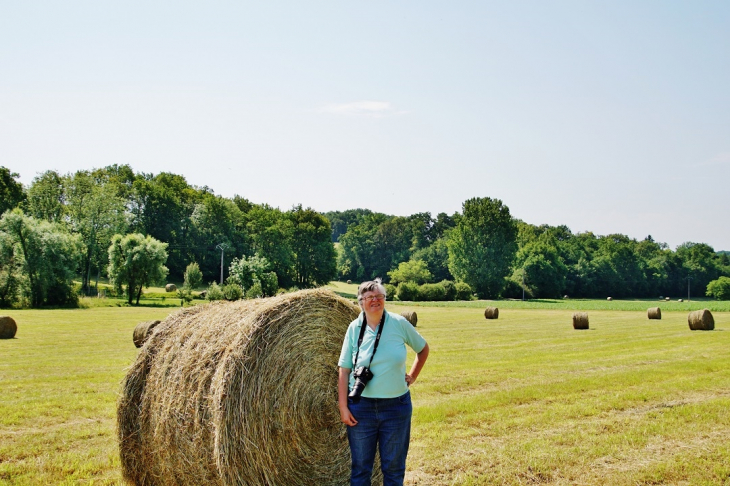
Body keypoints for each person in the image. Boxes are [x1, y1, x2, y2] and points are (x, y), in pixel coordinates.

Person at [338, 278, 430, 486]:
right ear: (361, 301)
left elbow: (423, 349)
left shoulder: (399, 323)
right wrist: (343, 407)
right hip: (361, 409)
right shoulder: (354, 328)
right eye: (370, 297)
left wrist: (413, 375)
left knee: (394, 469)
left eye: (380, 296)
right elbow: (344, 370)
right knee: (361, 469)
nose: (375, 300)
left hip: (396, 408)